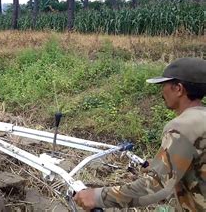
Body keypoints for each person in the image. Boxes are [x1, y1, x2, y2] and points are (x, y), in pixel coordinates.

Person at [74, 57, 206, 211]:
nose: (161, 91)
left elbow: (154, 185)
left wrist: (97, 196)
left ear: (178, 89)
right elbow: (172, 183)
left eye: (164, 85)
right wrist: (162, 166)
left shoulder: (182, 127)